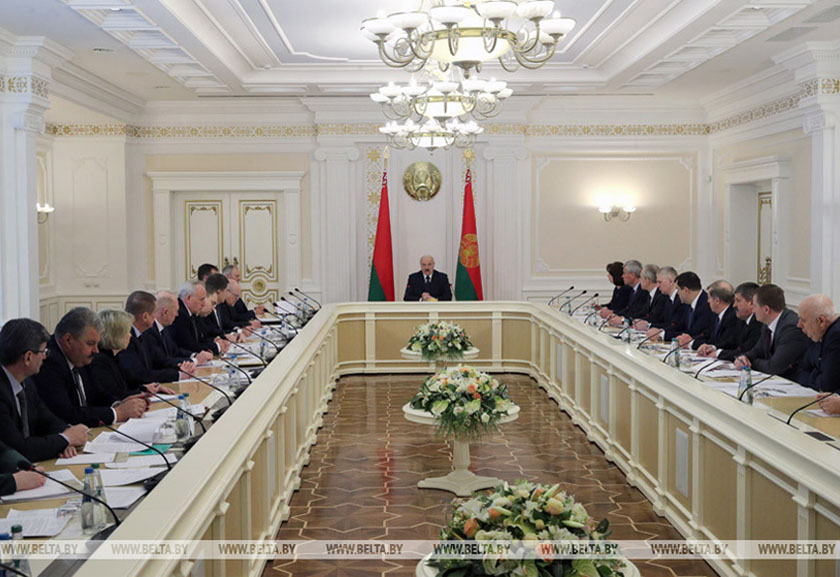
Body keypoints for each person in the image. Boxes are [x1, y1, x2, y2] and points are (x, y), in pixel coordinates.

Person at [32, 307, 147, 427]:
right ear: (68, 340)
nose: (96, 350)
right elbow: (66, 414)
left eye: (97, 344)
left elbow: (97, 393)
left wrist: (118, 404)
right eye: (91, 344)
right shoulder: (47, 361)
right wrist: (117, 413)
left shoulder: (78, 356)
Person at [0, 319, 88, 461]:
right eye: (43, 351)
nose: (45, 356)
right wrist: (65, 438)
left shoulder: (27, 382)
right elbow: (19, 449)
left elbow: (47, 419)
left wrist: (65, 439)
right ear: (28, 357)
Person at [734, 284, 809, 381]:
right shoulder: (767, 323)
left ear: (766, 309)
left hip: (794, 382)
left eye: (755, 306)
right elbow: (757, 350)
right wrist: (745, 357)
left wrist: (750, 363)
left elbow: (774, 367)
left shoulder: (791, 328)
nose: (753, 309)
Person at [90, 309, 161, 408]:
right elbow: (114, 395)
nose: (130, 335)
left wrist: (144, 388)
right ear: (116, 335)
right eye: (127, 332)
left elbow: (127, 386)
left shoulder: (114, 356)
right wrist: (141, 393)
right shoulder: (100, 361)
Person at [118, 291, 186, 389]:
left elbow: (159, 360)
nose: (156, 316)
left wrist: (180, 367)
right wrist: (177, 375)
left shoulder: (144, 334)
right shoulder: (125, 337)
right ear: (145, 316)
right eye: (155, 312)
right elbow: (140, 375)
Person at [697, 282, 762, 361]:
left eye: (738, 301)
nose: (734, 305)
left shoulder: (759, 324)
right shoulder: (742, 320)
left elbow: (745, 351)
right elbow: (731, 342)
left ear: (751, 303)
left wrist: (718, 353)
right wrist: (712, 347)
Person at [151, 290, 212, 366]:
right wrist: (195, 361)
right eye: (176, 311)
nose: (177, 314)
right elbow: (162, 361)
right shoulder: (150, 332)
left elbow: (175, 351)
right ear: (165, 312)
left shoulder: (164, 328)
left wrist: (194, 355)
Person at [794, 294, 840, 391]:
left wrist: (814, 374)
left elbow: (827, 385)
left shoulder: (836, 336)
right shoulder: (817, 333)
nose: (799, 325)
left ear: (821, 321)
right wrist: (818, 375)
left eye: (803, 320)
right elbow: (800, 372)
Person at [169, 281, 229, 355]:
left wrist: (215, 341)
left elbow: (201, 340)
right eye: (201, 299)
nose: (203, 304)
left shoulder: (193, 313)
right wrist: (217, 346)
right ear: (188, 298)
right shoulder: (180, 314)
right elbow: (188, 346)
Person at [662, 271, 714, 346]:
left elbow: (699, 334)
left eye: (678, 289)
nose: (677, 293)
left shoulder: (707, 305)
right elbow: (680, 328)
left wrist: (689, 341)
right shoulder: (687, 304)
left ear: (686, 290)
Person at [692, 280, 738, 351]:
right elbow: (709, 337)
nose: (708, 301)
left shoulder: (733, 317)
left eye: (709, 298)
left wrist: (710, 347)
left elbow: (725, 343)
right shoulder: (715, 316)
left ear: (717, 301)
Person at [637, 266, 681, 333]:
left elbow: (675, 326)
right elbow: (663, 322)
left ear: (671, 281)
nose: (657, 286)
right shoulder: (668, 299)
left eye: (660, 282)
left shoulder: (680, 300)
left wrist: (648, 326)